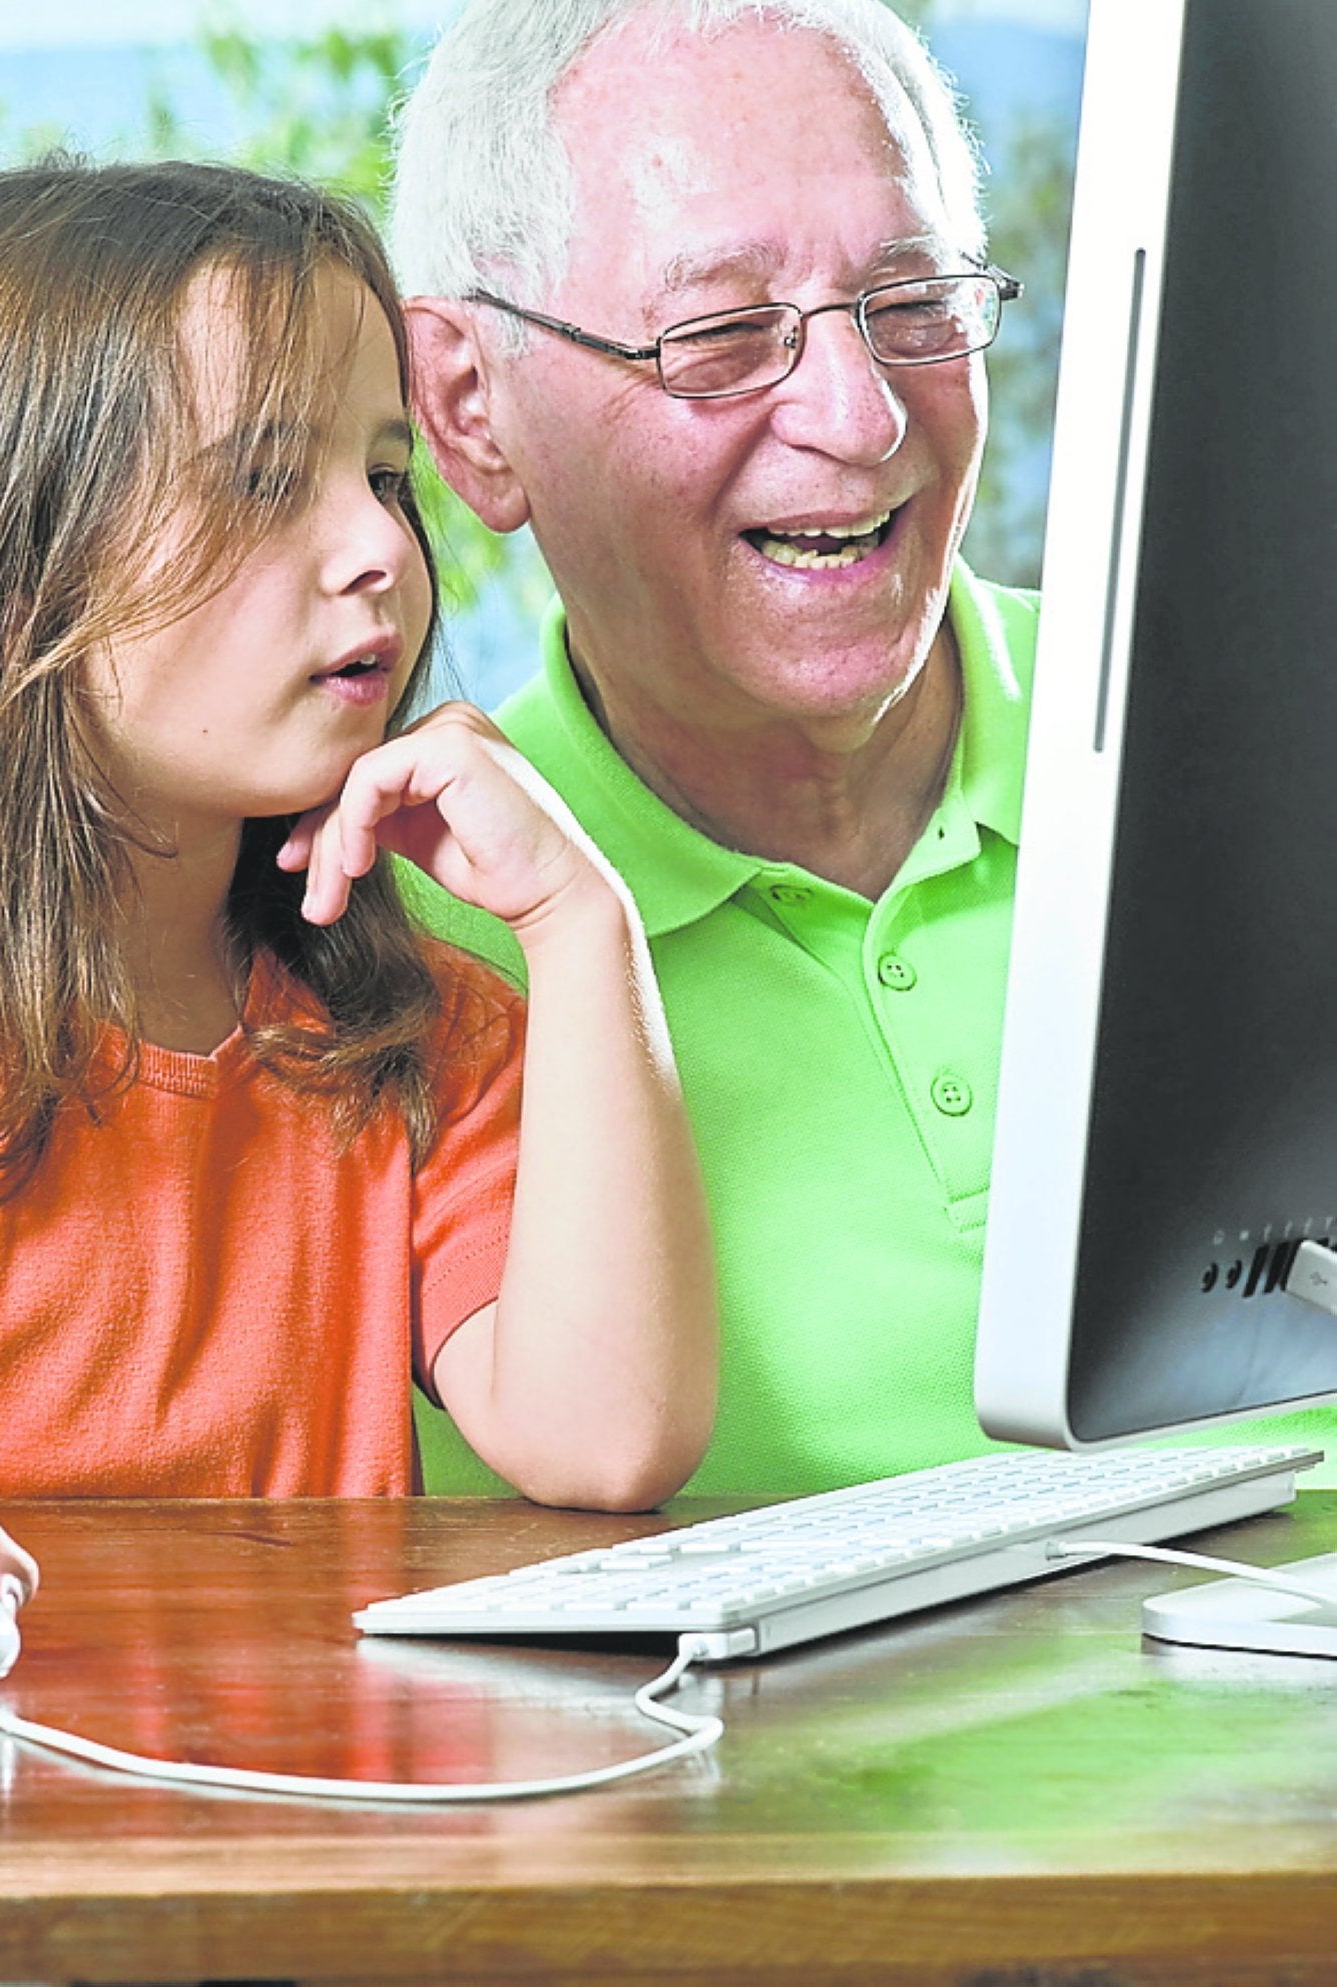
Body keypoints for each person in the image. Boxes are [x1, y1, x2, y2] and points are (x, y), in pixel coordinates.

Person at [0, 160, 716, 1675]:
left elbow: (607, 1440)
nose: (377, 551)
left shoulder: (407, 1029)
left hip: (299, 1835)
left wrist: (581, 920)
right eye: (257, 484)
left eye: (384, 475)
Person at [389, 0, 1041, 1496]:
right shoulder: (367, 945)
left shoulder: (1258, 746)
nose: (863, 417)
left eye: (919, 300)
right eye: (725, 336)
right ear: (472, 413)